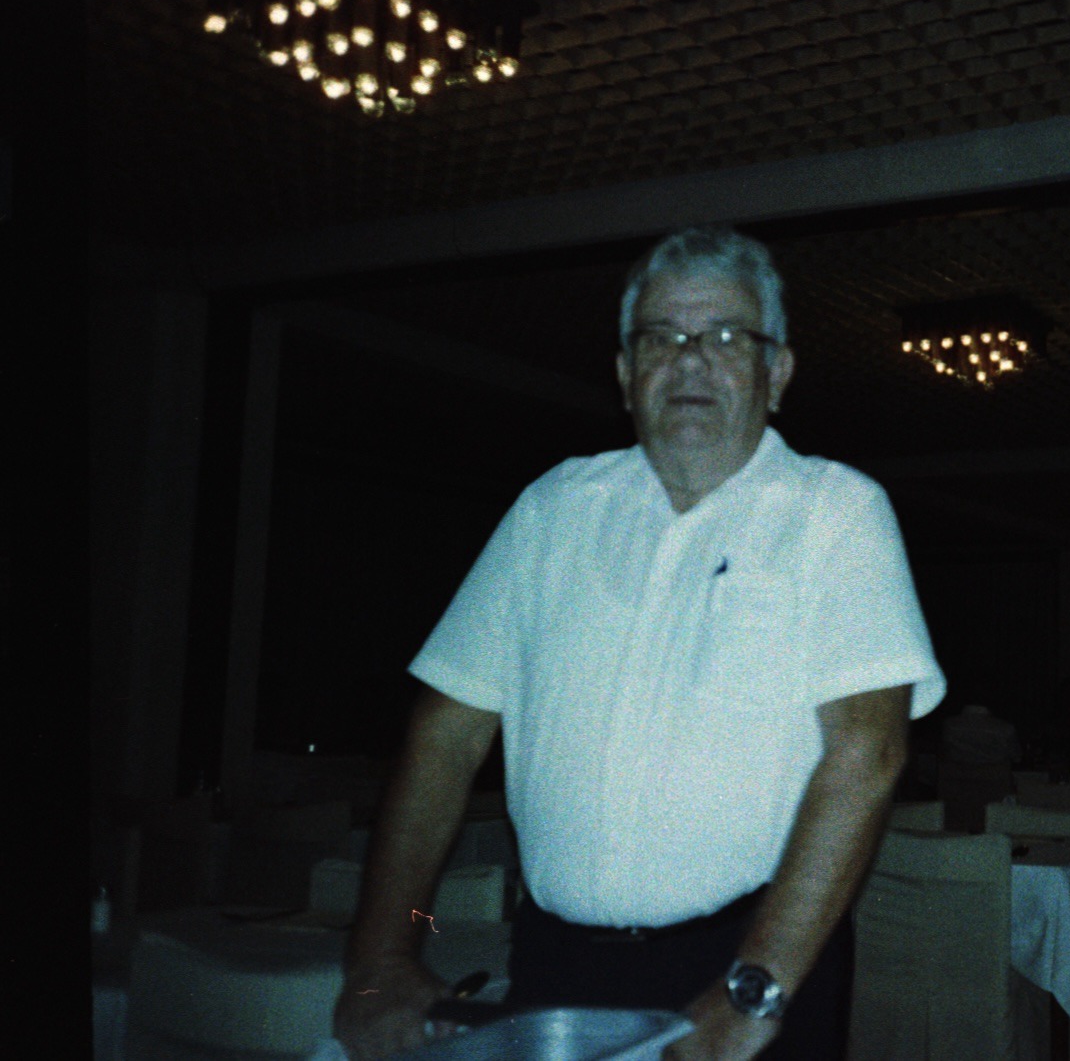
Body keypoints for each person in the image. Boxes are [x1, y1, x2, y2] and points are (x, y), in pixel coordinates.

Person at [331, 225, 946, 1061]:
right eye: (661, 337)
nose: (690, 360)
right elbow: (444, 739)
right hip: (555, 965)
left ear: (779, 373)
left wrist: (752, 990)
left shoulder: (833, 513)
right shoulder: (552, 509)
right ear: (625, 374)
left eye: (726, 337)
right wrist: (383, 957)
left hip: (755, 963)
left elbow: (866, 756)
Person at [939, 703, 1021, 766]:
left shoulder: (950, 725)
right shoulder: (1004, 728)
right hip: (995, 781)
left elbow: (943, 751)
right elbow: (1016, 757)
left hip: (954, 781)